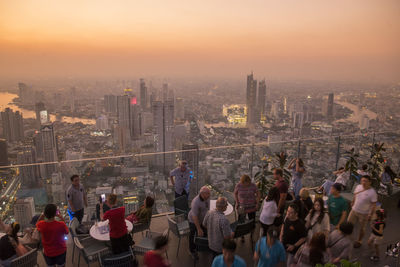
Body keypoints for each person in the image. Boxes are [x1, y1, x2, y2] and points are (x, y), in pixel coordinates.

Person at [348, 175, 377, 248]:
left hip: (364, 213)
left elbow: (373, 204)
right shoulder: (358, 187)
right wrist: (353, 202)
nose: (363, 182)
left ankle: (359, 241)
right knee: (349, 224)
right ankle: (347, 237)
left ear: (370, 182)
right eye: (362, 180)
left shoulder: (372, 192)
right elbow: (355, 195)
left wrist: (370, 214)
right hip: (354, 210)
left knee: (362, 228)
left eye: (365, 181)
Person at [188, 186, 210, 259]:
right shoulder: (196, 202)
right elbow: (194, 217)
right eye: (208, 194)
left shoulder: (207, 198)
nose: (209, 196)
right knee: (193, 234)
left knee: (205, 232)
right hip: (193, 220)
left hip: (202, 218)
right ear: (202, 194)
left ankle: (203, 246)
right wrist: (198, 228)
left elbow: (207, 209)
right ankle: (192, 250)